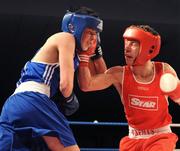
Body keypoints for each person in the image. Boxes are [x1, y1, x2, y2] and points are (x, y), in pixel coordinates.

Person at [0, 6, 105, 151]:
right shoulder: (66, 38)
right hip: (34, 100)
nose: (93, 38)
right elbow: (65, 86)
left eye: (95, 34)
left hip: (13, 106)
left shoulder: (72, 51)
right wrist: (69, 98)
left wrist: (93, 56)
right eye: (89, 32)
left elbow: (99, 78)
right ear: (74, 27)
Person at [77, 25, 180, 151]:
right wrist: (85, 56)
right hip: (133, 140)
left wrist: (176, 91)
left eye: (133, 43)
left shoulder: (164, 71)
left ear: (149, 47)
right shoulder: (119, 74)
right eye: (126, 42)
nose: (126, 47)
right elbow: (87, 85)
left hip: (160, 138)